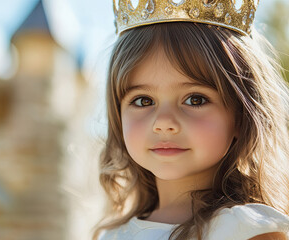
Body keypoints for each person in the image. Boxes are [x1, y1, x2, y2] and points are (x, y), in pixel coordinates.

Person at [93, 0, 289, 239]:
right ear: (118, 115)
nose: (163, 122)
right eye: (144, 101)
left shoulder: (248, 230)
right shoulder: (111, 234)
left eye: (195, 100)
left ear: (241, 115)